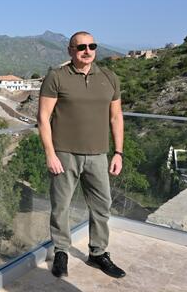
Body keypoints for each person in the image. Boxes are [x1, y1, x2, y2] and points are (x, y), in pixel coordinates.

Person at [37, 31, 126, 279]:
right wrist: (50, 154)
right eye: (81, 47)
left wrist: (118, 152)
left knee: (102, 206)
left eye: (91, 46)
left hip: (98, 154)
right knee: (61, 206)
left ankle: (98, 253)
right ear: (70, 50)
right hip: (64, 154)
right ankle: (61, 252)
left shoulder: (109, 77)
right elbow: (43, 118)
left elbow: (116, 117)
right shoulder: (56, 77)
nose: (87, 51)